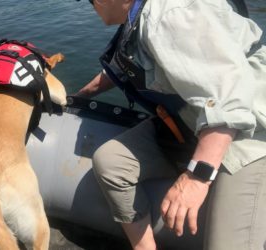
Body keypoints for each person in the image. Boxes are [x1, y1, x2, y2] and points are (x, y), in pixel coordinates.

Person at [75, 0, 266, 249]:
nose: (91, 4)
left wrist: (197, 177)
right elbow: (121, 69)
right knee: (112, 162)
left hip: (250, 132)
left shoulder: (171, 14)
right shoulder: (140, 20)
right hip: (192, 121)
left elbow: (228, 102)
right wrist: (77, 98)